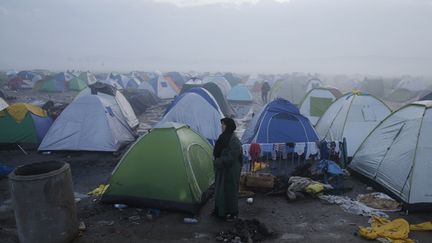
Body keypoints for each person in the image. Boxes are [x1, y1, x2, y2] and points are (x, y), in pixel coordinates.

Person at [213, 117, 243, 222]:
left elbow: (232, 155)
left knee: (229, 192)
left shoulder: (234, 139)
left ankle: (231, 212)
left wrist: (219, 161)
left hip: (230, 170)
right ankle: (220, 210)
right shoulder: (223, 137)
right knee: (220, 191)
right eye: (222, 124)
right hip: (222, 169)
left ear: (228, 126)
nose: (222, 126)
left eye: (224, 124)